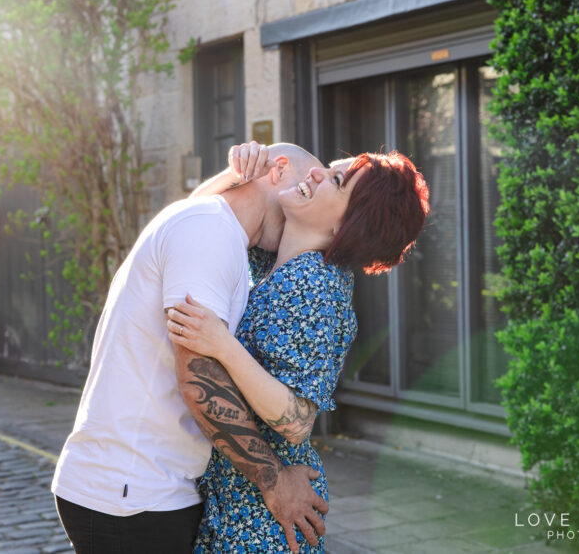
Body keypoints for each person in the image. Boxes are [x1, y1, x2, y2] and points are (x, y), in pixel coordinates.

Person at [52, 142, 337, 554]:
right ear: (276, 171)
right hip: (131, 495)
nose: (307, 191)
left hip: (143, 489)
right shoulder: (209, 232)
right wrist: (276, 483)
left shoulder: (218, 231)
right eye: (304, 181)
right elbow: (199, 378)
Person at [167, 146, 430, 553]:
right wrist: (237, 174)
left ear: (350, 224)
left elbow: (296, 421)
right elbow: (193, 220)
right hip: (235, 503)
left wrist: (222, 345)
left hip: (263, 521)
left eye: (337, 181)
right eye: (330, 169)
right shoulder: (273, 263)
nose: (318, 174)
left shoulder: (317, 287)